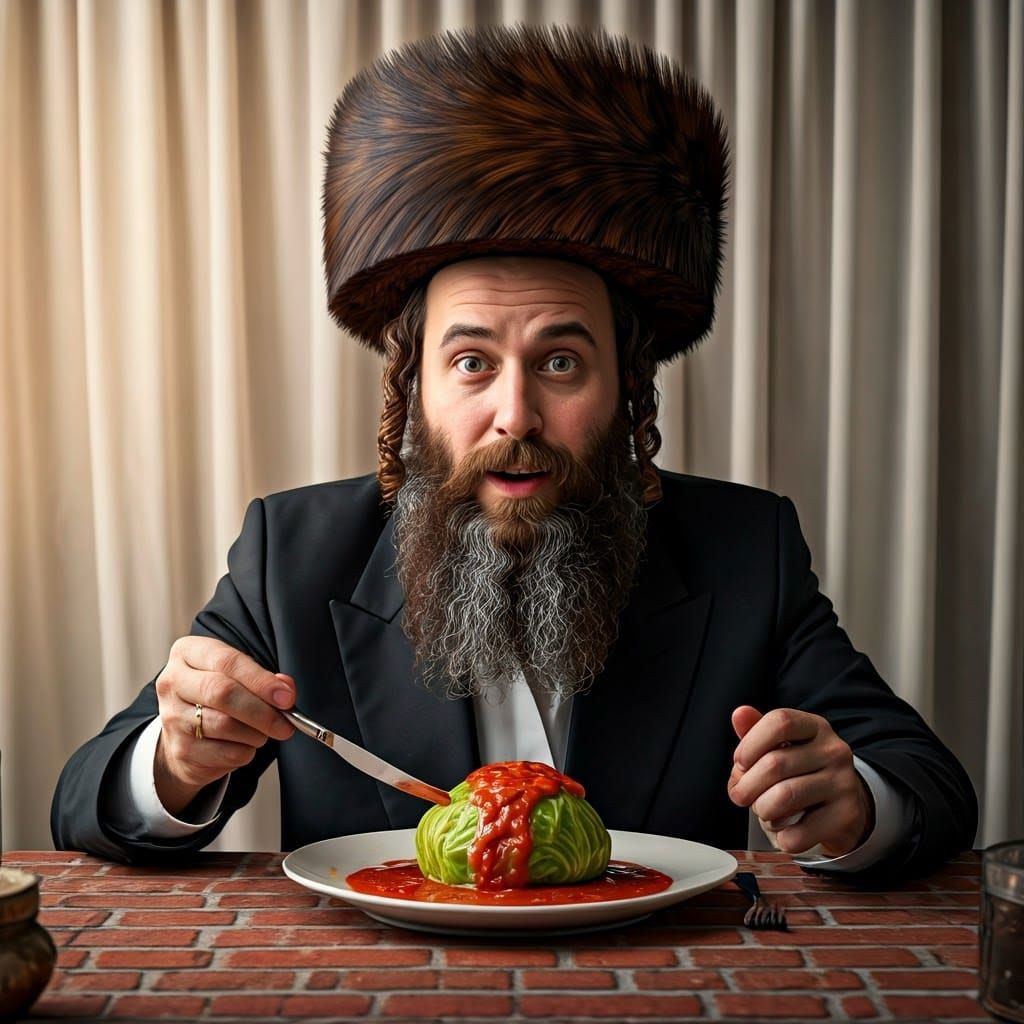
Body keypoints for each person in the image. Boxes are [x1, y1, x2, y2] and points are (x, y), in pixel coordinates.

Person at [52, 24, 976, 874]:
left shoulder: (746, 550)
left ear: (629, 389)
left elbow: (929, 787)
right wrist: (173, 763)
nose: (517, 414)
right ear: (413, 385)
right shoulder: (290, 554)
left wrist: (854, 805)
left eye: (562, 362)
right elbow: (84, 806)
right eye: (471, 362)